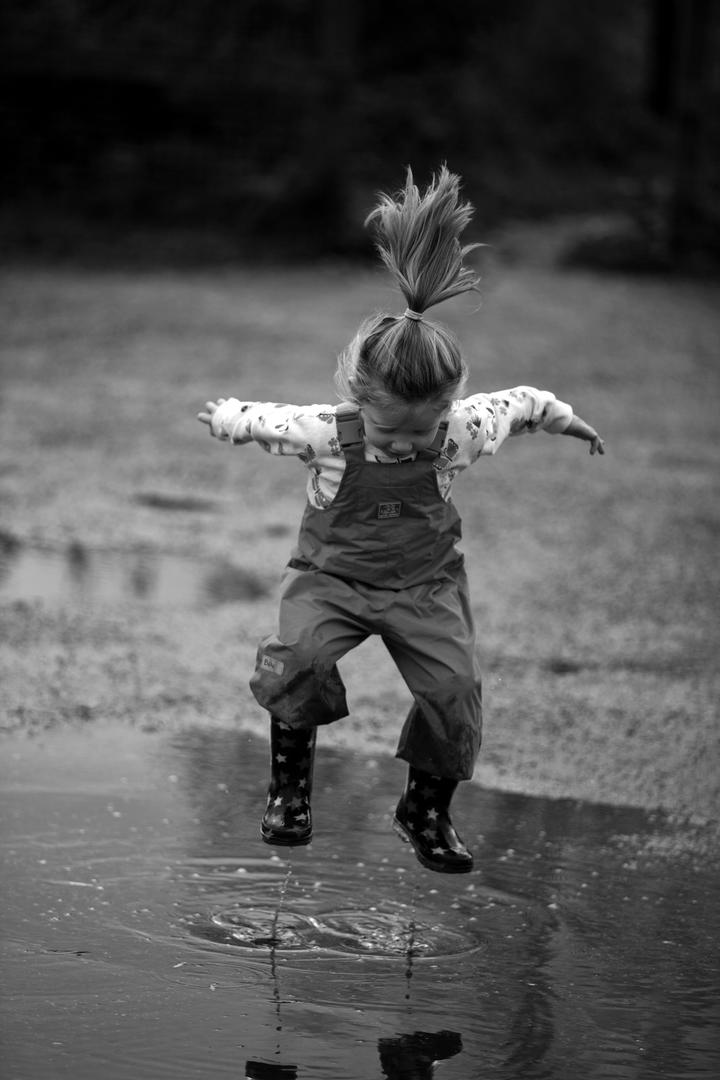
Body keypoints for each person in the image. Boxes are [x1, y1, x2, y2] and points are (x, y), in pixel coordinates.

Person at [198, 166, 604, 875]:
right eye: (393, 435)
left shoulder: (460, 429)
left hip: (424, 587)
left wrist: (570, 423)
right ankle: (290, 794)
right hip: (332, 581)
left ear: (449, 406)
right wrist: (226, 418)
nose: (410, 446)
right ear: (358, 398)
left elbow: (523, 403)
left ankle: (425, 812)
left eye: (424, 432)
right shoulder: (327, 431)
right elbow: (266, 420)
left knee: (454, 692)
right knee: (299, 663)